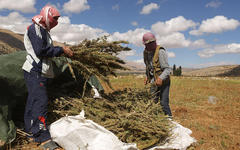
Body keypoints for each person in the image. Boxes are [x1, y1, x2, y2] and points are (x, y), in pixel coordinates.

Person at [22, 5, 73, 149]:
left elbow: (45, 49)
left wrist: (59, 50)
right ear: (47, 16)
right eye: (54, 18)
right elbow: (40, 50)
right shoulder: (35, 28)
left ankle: (31, 131)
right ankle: (42, 137)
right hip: (34, 70)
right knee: (40, 101)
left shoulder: (43, 29)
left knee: (33, 101)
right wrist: (60, 50)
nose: (56, 22)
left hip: (41, 71)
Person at [143, 32, 172, 118]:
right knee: (152, 102)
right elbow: (148, 67)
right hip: (153, 81)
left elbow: (167, 69)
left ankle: (170, 121)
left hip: (164, 82)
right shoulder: (146, 53)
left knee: (163, 103)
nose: (151, 45)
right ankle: (155, 121)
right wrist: (147, 76)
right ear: (145, 44)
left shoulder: (160, 51)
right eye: (149, 43)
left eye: (153, 42)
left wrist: (161, 78)